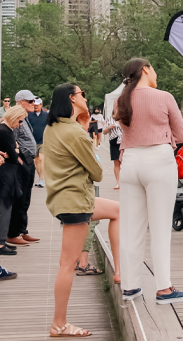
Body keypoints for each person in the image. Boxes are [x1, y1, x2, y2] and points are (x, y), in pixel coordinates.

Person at [115, 58, 183, 304]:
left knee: (130, 227)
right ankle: (164, 288)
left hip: (130, 162)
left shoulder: (121, 100)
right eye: (154, 68)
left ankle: (130, 286)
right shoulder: (164, 97)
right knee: (159, 228)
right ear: (146, 69)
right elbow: (181, 135)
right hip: (158, 159)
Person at [44, 83, 103, 337]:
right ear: (72, 98)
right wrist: (85, 130)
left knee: (117, 211)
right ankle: (59, 324)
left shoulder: (51, 128)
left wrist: (82, 124)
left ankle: (121, 272)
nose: (85, 97)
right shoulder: (76, 134)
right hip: (76, 200)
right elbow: (98, 173)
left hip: (62, 199)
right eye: (81, 94)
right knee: (67, 265)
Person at [6, 90, 40, 247]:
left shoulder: (24, 118)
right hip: (22, 160)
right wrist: (18, 157)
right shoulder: (16, 118)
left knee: (26, 197)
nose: (34, 104)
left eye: (34, 101)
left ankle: (21, 230)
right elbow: (11, 139)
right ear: (20, 102)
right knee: (20, 197)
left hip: (28, 159)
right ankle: (13, 233)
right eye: (30, 101)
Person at [0, 106, 27, 256]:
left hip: (8, 171)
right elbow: (12, 152)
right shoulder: (4, 131)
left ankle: (2, 240)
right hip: (6, 173)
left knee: (7, 206)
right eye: (20, 120)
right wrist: (16, 151)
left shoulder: (7, 130)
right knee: (4, 206)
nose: (21, 124)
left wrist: (15, 150)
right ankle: (1, 242)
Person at [28, 98, 48, 188]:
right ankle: (40, 179)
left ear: (41, 105)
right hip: (32, 142)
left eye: (38, 104)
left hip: (43, 141)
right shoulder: (29, 115)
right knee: (36, 161)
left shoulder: (46, 115)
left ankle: (42, 179)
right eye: (34, 104)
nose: (36, 106)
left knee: (41, 158)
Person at [103, 114, 123, 189]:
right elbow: (104, 132)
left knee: (125, 162)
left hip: (124, 140)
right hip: (114, 141)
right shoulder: (109, 119)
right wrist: (109, 128)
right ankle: (118, 183)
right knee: (116, 162)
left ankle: (125, 182)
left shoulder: (124, 117)